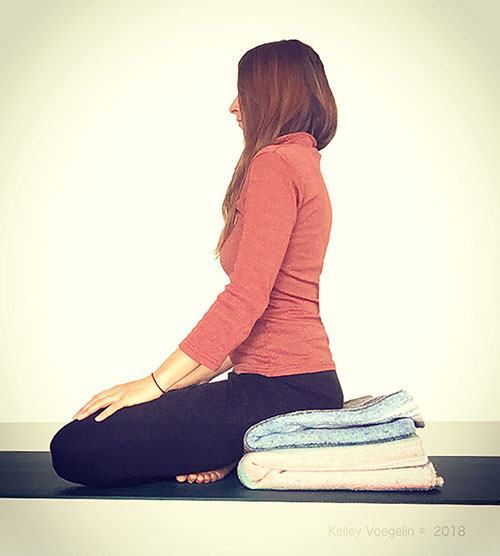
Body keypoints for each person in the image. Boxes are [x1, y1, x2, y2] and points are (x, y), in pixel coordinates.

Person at [50, 38, 344, 488]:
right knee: (102, 433)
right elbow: (256, 315)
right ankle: (239, 445)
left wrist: (154, 384)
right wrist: (182, 386)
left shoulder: (275, 163)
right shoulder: (304, 162)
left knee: (74, 449)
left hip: (280, 391)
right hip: (298, 386)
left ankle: (248, 443)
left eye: (243, 93)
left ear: (272, 95)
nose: (233, 106)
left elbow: (245, 298)